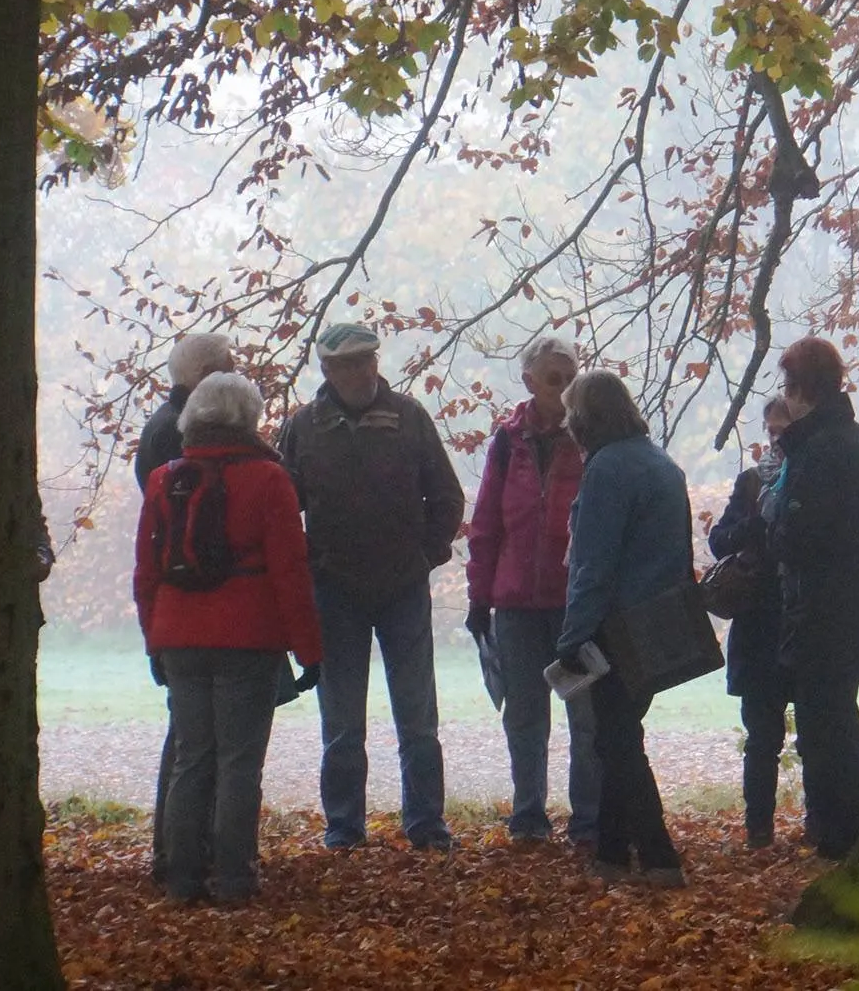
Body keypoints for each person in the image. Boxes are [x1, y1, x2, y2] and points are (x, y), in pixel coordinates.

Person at [133, 373, 322, 905]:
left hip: (180, 636)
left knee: (192, 758)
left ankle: (182, 878)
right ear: (249, 419)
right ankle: (236, 878)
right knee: (239, 762)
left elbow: (146, 571)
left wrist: (154, 639)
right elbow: (290, 571)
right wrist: (309, 649)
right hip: (248, 635)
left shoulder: (164, 480)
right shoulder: (269, 479)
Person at [278, 323, 465, 851]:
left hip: (403, 588)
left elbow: (447, 497)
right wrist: (309, 561)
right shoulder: (303, 428)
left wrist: (425, 555)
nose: (360, 371)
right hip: (334, 591)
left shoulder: (410, 419)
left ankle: (427, 825)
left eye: (367, 359)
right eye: (348, 363)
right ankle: (343, 828)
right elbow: (280, 507)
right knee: (341, 722)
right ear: (327, 369)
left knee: (418, 717)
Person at [553, 371, 693, 887]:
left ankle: (660, 857)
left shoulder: (608, 470)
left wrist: (572, 638)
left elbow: (594, 565)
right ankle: (611, 855)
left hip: (619, 628)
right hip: (660, 624)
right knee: (617, 737)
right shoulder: (662, 464)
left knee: (617, 743)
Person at [465, 336, 601, 847]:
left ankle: (587, 820)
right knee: (524, 716)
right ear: (529, 382)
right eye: (553, 380)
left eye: (571, 379)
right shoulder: (507, 443)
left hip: (576, 607)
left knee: (585, 717)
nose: (564, 390)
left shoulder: (592, 441)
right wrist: (480, 599)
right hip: (516, 605)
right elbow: (485, 526)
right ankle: (529, 817)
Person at [766, 337, 859, 861]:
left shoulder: (818, 449)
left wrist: (772, 525)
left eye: (788, 386)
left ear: (803, 389)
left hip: (822, 608)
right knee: (838, 715)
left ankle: (843, 832)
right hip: (858, 603)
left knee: (826, 724)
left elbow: (796, 532)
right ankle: (841, 827)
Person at [135, 331, 234, 888]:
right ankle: (178, 854)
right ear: (203, 375)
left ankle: (182, 853)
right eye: (226, 366)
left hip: (178, 616)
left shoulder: (163, 429)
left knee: (192, 741)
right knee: (193, 744)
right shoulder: (176, 436)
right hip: (196, 610)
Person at [707, 397, 793, 849]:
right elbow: (718, 540)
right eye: (771, 430)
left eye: (785, 429)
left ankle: (822, 825)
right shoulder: (750, 482)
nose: (776, 439)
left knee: (819, 734)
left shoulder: (813, 476)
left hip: (802, 622)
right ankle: (758, 829)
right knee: (762, 738)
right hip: (758, 629)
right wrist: (754, 523)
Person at [136, 333, 236, 491]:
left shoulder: (169, 419)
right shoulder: (177, 429)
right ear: (208, 374)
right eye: (231, 373)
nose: (237, 383)